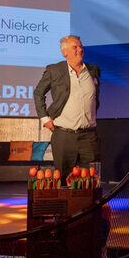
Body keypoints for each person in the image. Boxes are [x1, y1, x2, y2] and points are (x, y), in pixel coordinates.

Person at [34, 35, 101, 179]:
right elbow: (38, 93)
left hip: (89, 136)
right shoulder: (55, 70)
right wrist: (45, 119)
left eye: (80, 46)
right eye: (75, 47)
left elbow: (95, 99)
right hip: (64, 136)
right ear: (64, 52)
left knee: (91, 179)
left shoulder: (93, 70)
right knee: (64, 180)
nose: (80, 50)